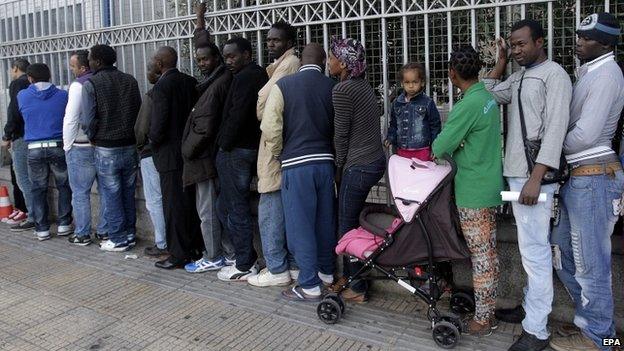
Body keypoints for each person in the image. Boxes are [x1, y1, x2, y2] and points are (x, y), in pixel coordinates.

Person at [483, 20, 572, 351]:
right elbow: (488, 92)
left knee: (535, 252)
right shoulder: (518, 76)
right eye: (513, 45)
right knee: (529, 250)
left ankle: (536, 330)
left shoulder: (555, 75)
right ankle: (530, 308)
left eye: (521, 44)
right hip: (519, 175)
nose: (518, 49)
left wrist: (536, 177)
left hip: (537, 178)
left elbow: (556, 128)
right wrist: (501, 61)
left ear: (540, 41)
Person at [549, 13, 624, 351]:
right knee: (563, 251)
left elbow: (587, 134)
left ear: (606, 43)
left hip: (594, 179)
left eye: (588, 37)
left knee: (592, 263)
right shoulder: (591, 72)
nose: (579, 41)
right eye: (579, 35)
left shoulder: (607, 74)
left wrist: (551, 144)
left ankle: (602, 339)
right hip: (580, 179)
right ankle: (589, 320)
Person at [432, 46, 503, 336]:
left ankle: (484, 319)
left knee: (482, 257)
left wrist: (456, 145)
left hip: (472, 191)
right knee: (489, 253)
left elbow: (439, 147)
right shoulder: (485, 96)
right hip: (488, 187)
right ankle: (490, 311)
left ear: (452, 73)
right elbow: (490, 81)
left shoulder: (467, 106)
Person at [261, 43, 337, 301]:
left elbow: (270, 126)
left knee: (300, 227)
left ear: (301, 60)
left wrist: (279, 152)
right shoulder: (332, 87)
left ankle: (309, 284)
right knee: (325, 221)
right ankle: (327, 273)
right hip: (326, 163)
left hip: (296, 165)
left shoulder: (283, 86)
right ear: (324, 61)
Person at [328, 37, 386, 302]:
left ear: (342, 63)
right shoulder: (362, 86)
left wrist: (338, 167)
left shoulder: (342, 91)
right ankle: (351, 276)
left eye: (331, 58)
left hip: (358, 165)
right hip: (374, 161)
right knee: (354, 221)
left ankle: (358, 287)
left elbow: (341, 135)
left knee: (346, 226)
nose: (328, 62)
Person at [248, 21, 301, 287]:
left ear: (289, 42)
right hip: (278, 143)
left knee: (270, 207)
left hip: (275, 144)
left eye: (276, 40)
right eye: (268, 39)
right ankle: (289, 266)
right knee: (280, 207)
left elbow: (264, 104)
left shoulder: (289, 64)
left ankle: (277, 268)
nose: (270, 44)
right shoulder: (282, 65)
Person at [215, 37, 269, 281]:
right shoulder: (247, 75)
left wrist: (224, 144)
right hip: (238, 149)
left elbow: (238, 114)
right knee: (227, 206)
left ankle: (245, 263)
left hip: (237, 150)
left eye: (232, 56)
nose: (228, 61)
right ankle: (242, 257)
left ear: (247, 54)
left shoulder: (249, 76)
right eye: (225, 57)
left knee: (236, 208)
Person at [181, 42, 236, 273]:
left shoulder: (217, 83)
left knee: (208, 212)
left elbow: (205, 126)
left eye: (205, 59)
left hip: (205, 160)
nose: (201, 64)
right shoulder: (213, 81)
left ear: (217, 59)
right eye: (198, 60)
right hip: (208, 158)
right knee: (214, 210)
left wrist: (186, 150)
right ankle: (223, 253)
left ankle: (214, 256)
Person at [81, 44, 142, 252]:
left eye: (90, 58)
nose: (88, 61)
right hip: (130, 145)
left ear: (97, 61)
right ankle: (130, 233)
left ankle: (117, 238)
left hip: (106, 147)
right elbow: (138, 112)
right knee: (127, 192)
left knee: (111, 194)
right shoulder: (130, 80)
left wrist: (92, 136)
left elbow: (88, 119)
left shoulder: (91, 84)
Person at [149, 46, 203, 269]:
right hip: (189, 152)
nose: (151, 63)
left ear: (160, 64)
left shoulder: (162, 86)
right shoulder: (189, 81)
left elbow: (158, 125)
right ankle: (194, 248)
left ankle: (178, 254)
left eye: (153, 60)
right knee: (190, 204)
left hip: (169, 155)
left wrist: (153, 140)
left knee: (173, 206)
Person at [17, 63, 72, 241]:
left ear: (30, 78)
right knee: (63, 185)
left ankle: (42, 229)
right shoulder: (63, 95)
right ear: (50, 77)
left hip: (34, 148)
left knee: (38, 189)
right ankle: (64, 224)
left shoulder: (23, 95)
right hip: (57, 145)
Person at [63, 50, 108, 246]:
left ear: (83, 67)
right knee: (106, 190)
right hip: (104, 145)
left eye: (73, 66)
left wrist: (67, 145)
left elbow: (71, 117)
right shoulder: (102, 81)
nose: (71, 70)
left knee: (80, 192)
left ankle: (82, 233)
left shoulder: (78, 85)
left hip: (81, 145)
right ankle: (105, 231)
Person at [134, 61, 167, 257]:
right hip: (170, 155)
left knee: (154, 201)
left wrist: (141, 147)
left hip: (151, 153)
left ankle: (162, 242)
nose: (146, 74)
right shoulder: (183, 87)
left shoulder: (153, 95)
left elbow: (141, 129)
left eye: (148, 69)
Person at [2, 58, 35, 231]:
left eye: (10, 69)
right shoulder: (32, 83)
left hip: (21, 136)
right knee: (31, 177)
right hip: (34, 135)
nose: (9, 73)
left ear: (16, 69)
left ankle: (32, 214)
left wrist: (7, 134)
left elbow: (13, 111)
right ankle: (30, 211)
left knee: (22, 178)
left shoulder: (17, 84)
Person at [385, 62, 441, 161]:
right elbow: (393, 125)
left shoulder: (428, 103)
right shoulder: (397, 103)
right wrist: (390, 138)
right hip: (401, 150)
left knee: (422, 175)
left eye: (415, 82)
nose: (411, 86)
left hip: (422, 151)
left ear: (422, 82)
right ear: (402, 83)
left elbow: (435, 126)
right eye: (407, 82)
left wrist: (435, 147)